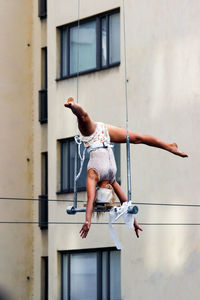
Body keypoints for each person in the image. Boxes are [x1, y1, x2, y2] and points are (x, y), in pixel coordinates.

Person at [64, 97, 188, 239]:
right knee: (137, 139)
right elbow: (126, 203)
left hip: (92, 137)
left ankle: (72, 105)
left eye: (107, 192)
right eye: (111, 194)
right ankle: (170, 147)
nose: (110, 190)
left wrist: (88, 221)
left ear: (100, 190)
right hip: (105, 135)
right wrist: (133, 222)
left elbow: (90, 199)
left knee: (84, 118)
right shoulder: (111, 180)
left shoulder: (93, 176)